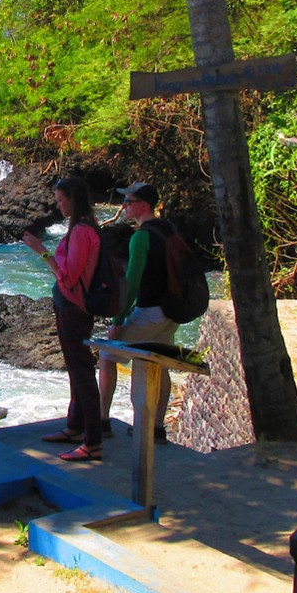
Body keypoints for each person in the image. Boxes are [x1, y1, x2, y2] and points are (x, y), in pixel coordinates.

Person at [22, 176, 105, 462]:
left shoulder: (82, 232)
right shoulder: (83, 227)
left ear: (73, 199)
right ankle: (75, 426)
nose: (58, 206)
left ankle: (92, 441)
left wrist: (41, 252)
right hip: (71, 306)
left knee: (81, 372)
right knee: (76, 368)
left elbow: (68, 277)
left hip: (74, 307)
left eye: (60, 200)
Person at [98, 183, 180, 444]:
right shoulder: (169, 230)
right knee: (159, 361)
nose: (124, 206)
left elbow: (132, 283)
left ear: (143, 206)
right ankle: (156, 428)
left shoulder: (141, 237)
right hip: (172, 311)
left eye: (129, 201)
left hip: (150, 310)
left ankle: (102, 420)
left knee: (108, 354)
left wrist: (118, 320)